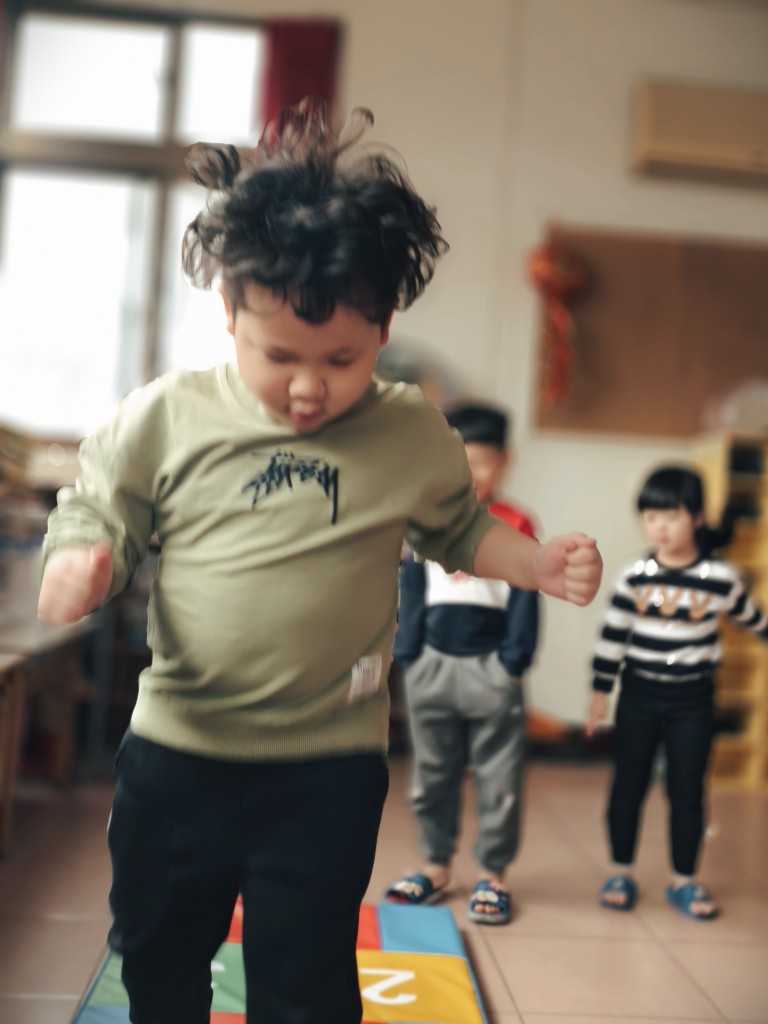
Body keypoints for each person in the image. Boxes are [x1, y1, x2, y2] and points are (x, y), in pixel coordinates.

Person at [38, 95, 603, 1024]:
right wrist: (81, 561)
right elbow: (99, 508)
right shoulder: (168, 415)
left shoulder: (408, 430)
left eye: (341, 359)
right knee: (159, 951)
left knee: (305, 980)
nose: (309, 387)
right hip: (180, 752)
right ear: (229, 313)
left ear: (383, 327)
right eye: (281, 356)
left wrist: (532, 564)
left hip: (328, 765)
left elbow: (460, 528)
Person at [587, 465, 767, 921]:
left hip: (694, 701)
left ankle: (683, 880)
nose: (660, 527)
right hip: (639, 696)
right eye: (651, 517)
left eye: (671, 516)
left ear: (698, 517)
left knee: (687, 792)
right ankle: (620, 872)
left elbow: (753, 619)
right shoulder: (635, 575)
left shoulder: (720, 577)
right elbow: (613, 636)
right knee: (628, 786)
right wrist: (600, 691)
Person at [385, 402, 539, 925]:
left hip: (492, 667)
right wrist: (409, 655)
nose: (472, 474)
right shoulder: (426, 519)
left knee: (500, 778)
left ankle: (493, 873)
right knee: (432, 773)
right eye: (460, 461)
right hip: (431, 664)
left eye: (483, 462)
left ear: (505, 462)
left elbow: (526, 595)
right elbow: (411, 587)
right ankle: (435, 864)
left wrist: (514, 661)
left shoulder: (516, 523)